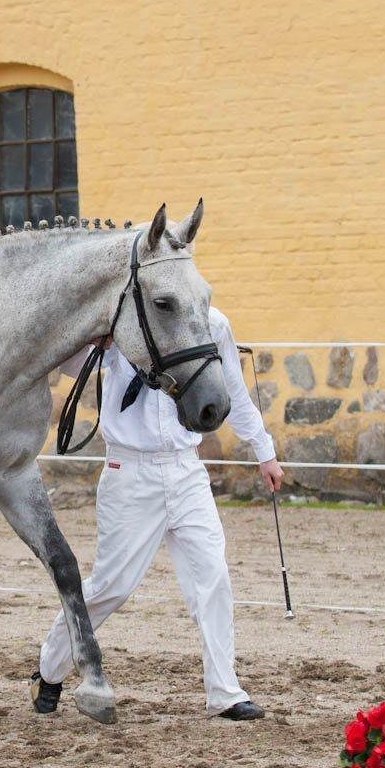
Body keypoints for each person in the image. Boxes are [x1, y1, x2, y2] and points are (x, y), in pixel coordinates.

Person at [31, 307, 283, 721]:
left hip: (186, 467)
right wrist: (94, 337)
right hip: (129, 472)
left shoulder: (212, 324)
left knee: (213, 576)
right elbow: (70, 363)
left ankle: (224, 692)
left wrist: (265, 453)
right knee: (112, 586)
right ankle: (51, 667)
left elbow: (232, 393)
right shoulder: (120, 320)